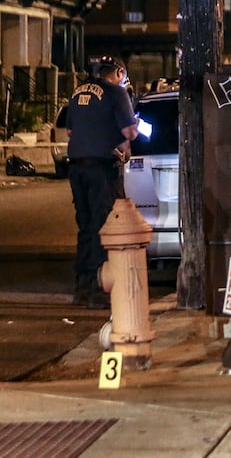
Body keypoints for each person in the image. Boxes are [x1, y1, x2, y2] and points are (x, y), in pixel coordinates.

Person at [67, 55, 138, 309]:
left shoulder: (77, 92)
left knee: (85, 226)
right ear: (118, 73)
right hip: (100, 168)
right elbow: (130, 132)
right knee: (101, 226)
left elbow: (70, 131)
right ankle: (99, 289)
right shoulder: (116, 94)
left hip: (76, 168)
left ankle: (82, 287)